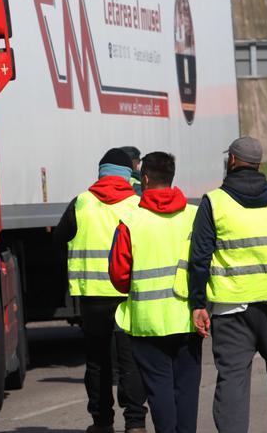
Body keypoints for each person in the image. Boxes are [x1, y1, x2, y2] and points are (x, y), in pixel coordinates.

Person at [187, 136, 267, 433]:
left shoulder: (214, 202)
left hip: (231, 309)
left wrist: (198, 303)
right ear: (260, 165)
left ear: (231, 161)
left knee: (232, 378)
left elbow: (199, 257)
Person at [53, 148, 148, 433]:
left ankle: (102, 422)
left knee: (97, 362)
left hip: (92, 297)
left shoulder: (80, 203)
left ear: (101, 172)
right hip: (128, 295)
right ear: (126, 174)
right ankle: (135, 423)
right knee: (130, 361)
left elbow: (58, 241)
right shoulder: (137, 203)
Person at [109, 152, 201, 433]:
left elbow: (119, 275)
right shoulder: (195, 216)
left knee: (159, 389)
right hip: (188, 320)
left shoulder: (130, 221)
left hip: (147, 324)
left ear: (144, 179)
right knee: (186, 389)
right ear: (172, 178)